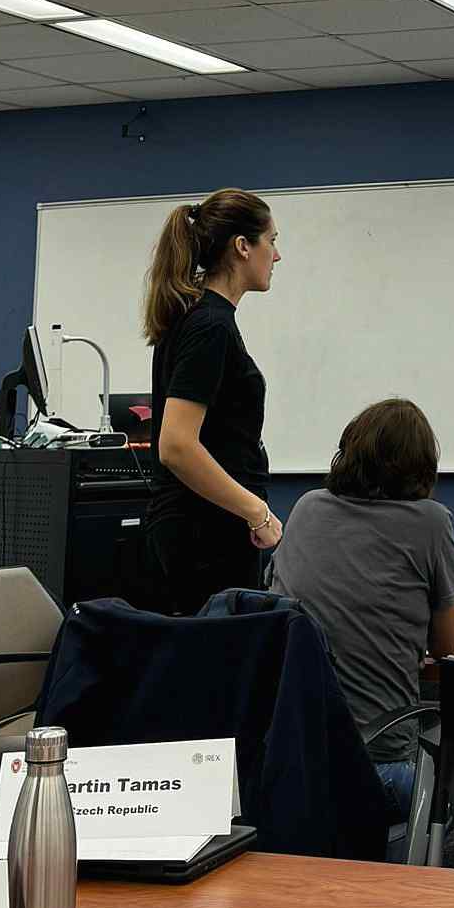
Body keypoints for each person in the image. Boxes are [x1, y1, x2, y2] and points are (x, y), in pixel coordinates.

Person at [271, 398, 454, 822]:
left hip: (291, 768)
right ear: (422, 467)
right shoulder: (430, 522)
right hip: (380, 770)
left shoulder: (306, 508)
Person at [144, 189, 283, 614]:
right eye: (271, 241)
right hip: (204, 534)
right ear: (243, 247)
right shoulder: (210, 327)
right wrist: (256, 511)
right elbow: (176, 446)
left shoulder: (201, 319)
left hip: (206, 527)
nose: (277, 255)